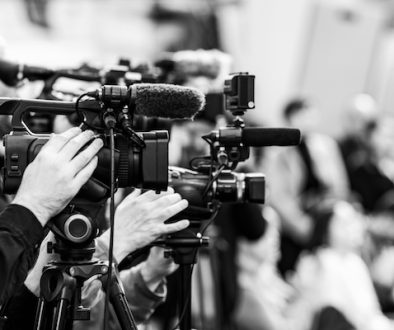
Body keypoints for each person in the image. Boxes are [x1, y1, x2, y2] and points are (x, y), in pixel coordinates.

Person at [264, 98, 349, 276]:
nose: (308, 120)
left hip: (323, 217)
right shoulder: (278, 149)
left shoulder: (325, 145)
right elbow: (279, 195)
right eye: (303, 115)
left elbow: (339, 183)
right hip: (292, 224)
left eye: (311, 115)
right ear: (290, 118)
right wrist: (302, 226)